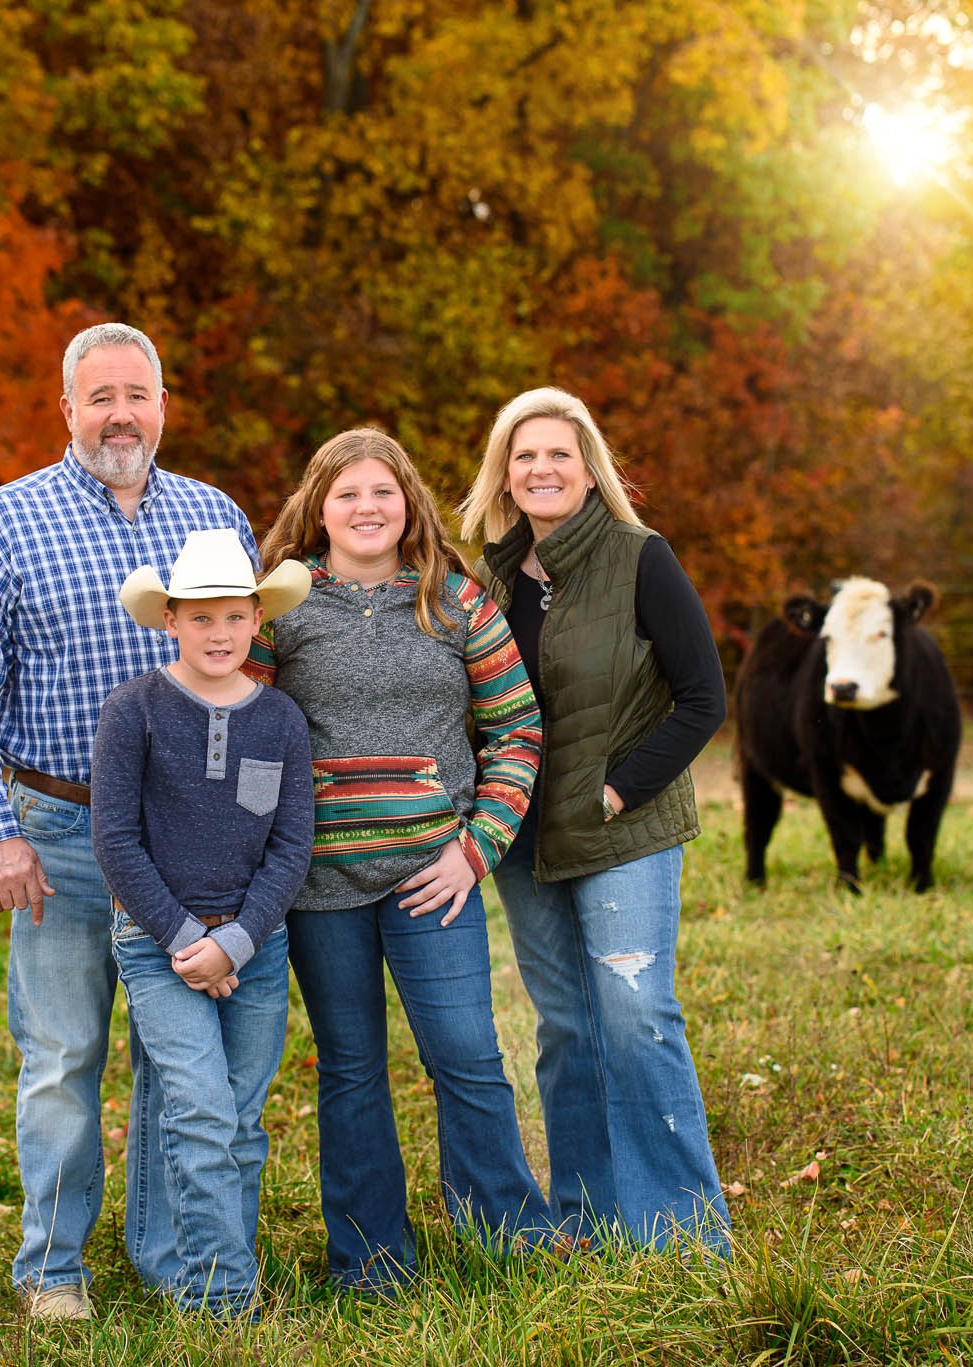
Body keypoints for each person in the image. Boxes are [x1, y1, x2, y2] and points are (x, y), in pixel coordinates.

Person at [0, 323, 259, 1320]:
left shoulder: (215, 516)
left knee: (177, 1060)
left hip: (188, 843)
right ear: (65, 407)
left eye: (138, 393)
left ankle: (167, 1252)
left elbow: (253, 677)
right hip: (60, 834)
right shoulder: (1, 521)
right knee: (64, 1053)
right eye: (100, 395)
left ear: (163, 405)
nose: (120, 412)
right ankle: (54, 1264)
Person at [244, 427, 557, 1291]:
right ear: (319, 508)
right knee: (350, 1069)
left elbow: (518, 730)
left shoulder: (457, 602)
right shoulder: (283, 609)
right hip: (320, 886)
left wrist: (475, 849)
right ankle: (370, 1260)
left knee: (465, 1052)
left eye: (383, 492)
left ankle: (512, 1238)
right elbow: (246, 731)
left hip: (434, 875)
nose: (367, 508)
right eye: (347, 494)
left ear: (409, 503)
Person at [457, 386, 730, 1256]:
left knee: (636, 1011)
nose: (540, 469)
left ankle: (683, 1232)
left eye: (558, 455)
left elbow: (704, 699)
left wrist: (617, 789)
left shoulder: (640, 557)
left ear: (588, 470)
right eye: (523, 455)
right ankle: (589, 1215)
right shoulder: (490, 578)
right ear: (504, 474)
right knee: (568, 1024)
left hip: (624, 829)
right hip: (524, 835)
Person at [90, 528, 316, 1316]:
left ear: (257, 618)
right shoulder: (135, 710)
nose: (218, 634)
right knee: (199, 1108)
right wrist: (190, 941)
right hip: (160, 946)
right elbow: (114, 838)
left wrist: (238, 942)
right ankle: (222, 1299)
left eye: (233, 617)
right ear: (170, 622)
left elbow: (292, 843)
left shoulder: (280, 718)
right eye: (200, 618)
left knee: (242, 1121)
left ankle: (203, 1261)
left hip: (257, 941)